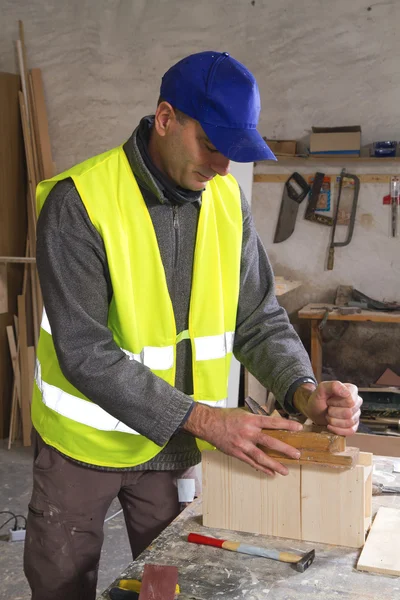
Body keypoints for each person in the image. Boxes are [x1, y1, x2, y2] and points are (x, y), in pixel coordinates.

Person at [24, 51, 362, 600]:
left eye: (232, 152)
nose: (223, 167)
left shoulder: (227, 199)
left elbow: (257, 317)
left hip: (178, 448)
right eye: (211, 145)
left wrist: (301, 390)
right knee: (62, 583)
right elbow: (85, 352)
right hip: (83, 451)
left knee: (176, 585)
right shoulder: (78, 202)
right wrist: (206, 419)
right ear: (164, 119)